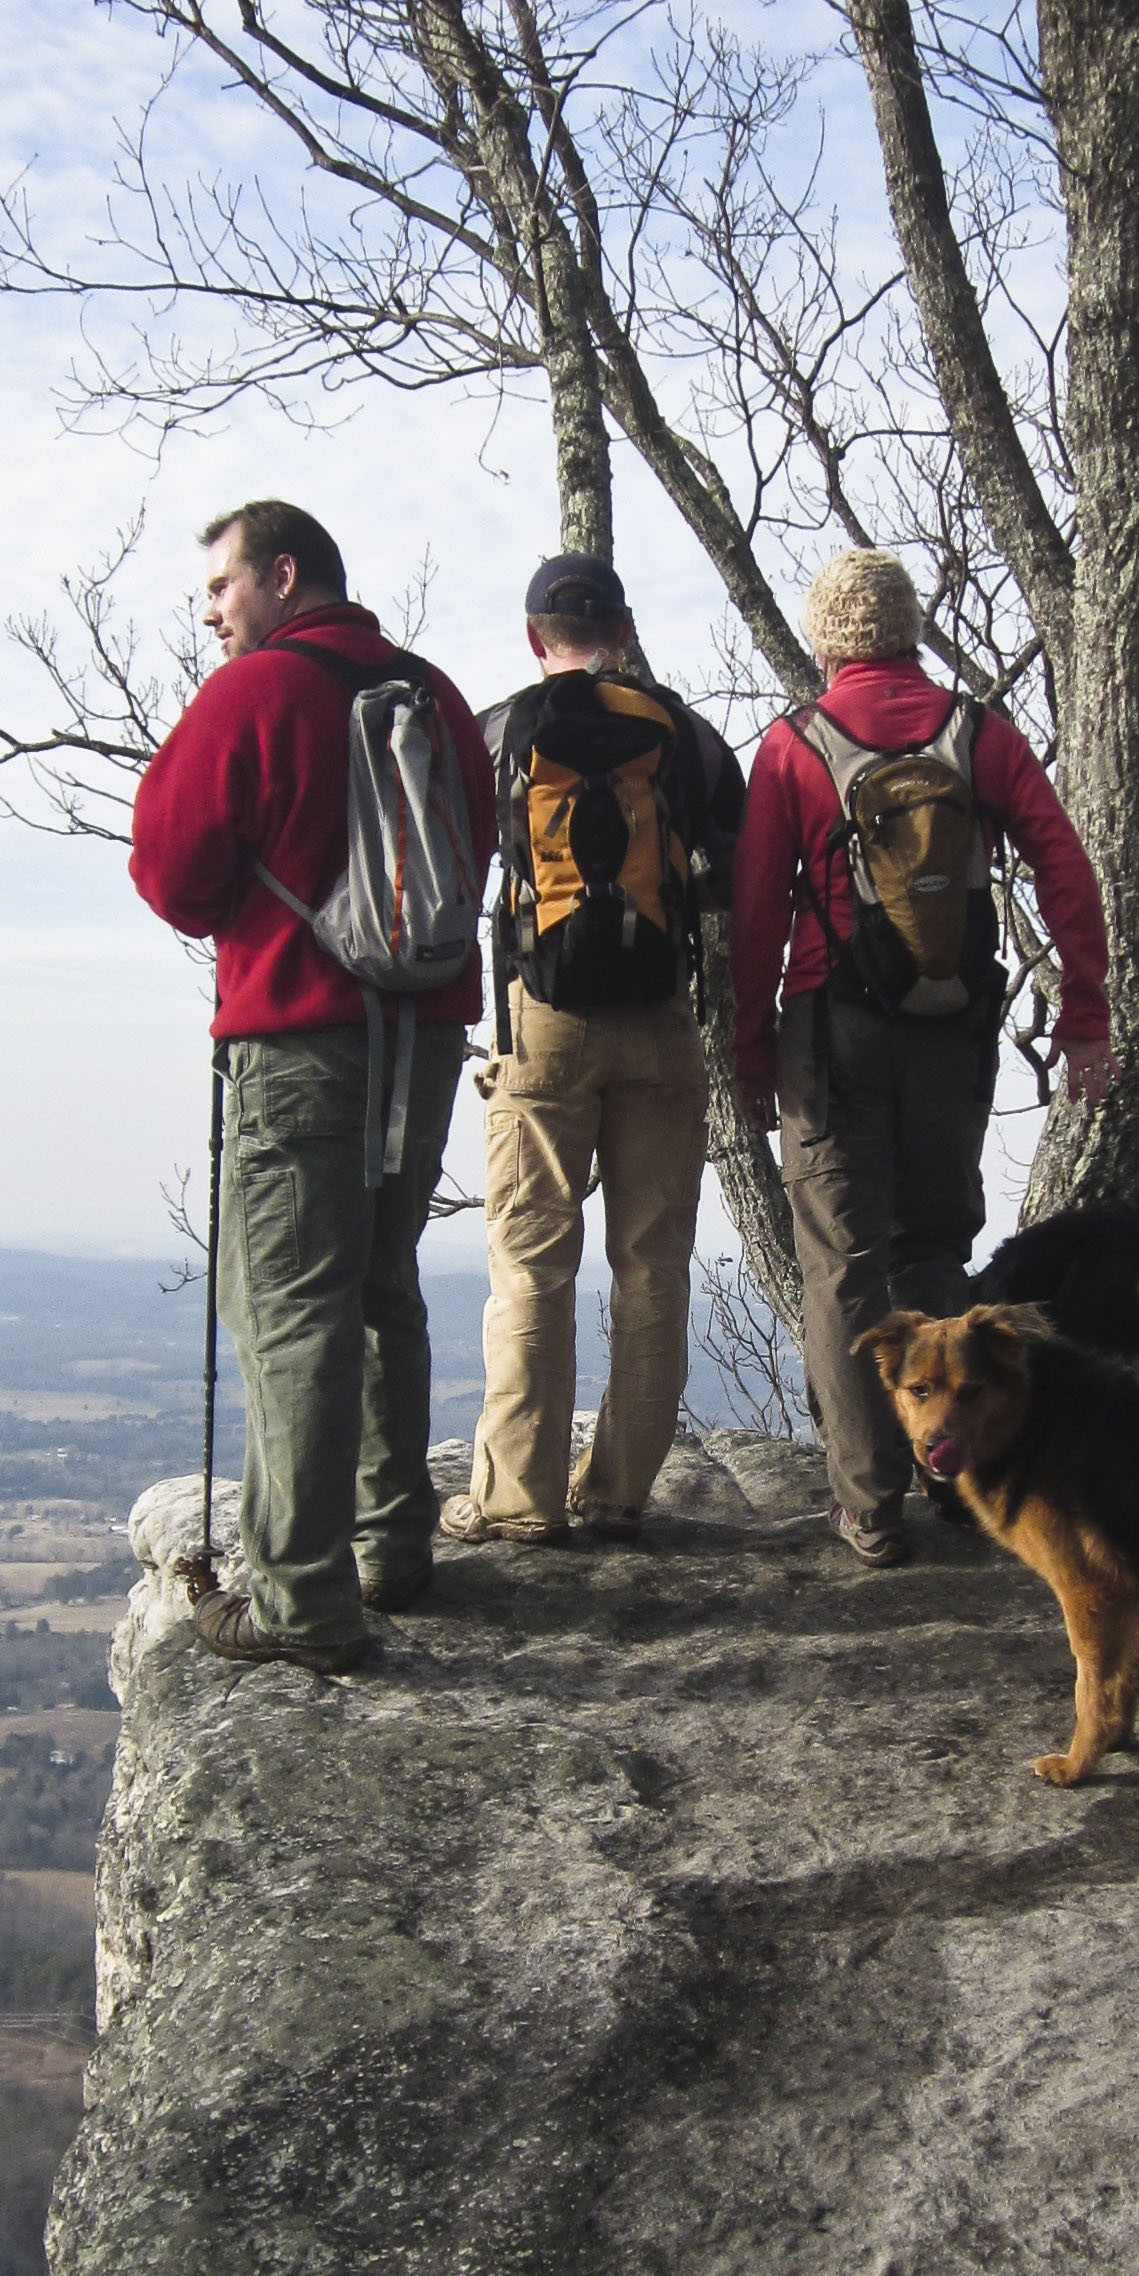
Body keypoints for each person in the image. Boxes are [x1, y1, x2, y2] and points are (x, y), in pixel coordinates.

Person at [131, 501, 497, 1671]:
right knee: (384, 1280)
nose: (209, 610)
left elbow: (172, 868)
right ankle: (393, 1545)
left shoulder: (254, 693)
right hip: (425, 1033)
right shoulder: (437, 695)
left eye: (222, 586)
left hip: (298, 1036)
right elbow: (472, 849)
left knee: (290, 1307)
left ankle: (300, 1600)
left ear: (284, 576)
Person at [731, 547, 1112, 1567]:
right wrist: (1085, 1013)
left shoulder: (794, 747)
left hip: (832, 1023)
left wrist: (752, 1048)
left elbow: (759, 913)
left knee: (844, 1267)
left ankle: (868, 1502)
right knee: (936, 1240)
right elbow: (1063, 863)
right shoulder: (977, 733)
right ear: (907, 628)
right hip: (952, 1025)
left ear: (826, 638)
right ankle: (968, 1477)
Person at [443, 552, 747, 1550]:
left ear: (538, 637)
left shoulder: (498, 732)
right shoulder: (687, 735)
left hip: (544, 1018)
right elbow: (730, 876)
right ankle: (617, 1491)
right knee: (652, 1263)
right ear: (622, 628)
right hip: (660, 1020)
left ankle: (517, 1501)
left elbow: (450, 863)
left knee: (531, 1263)